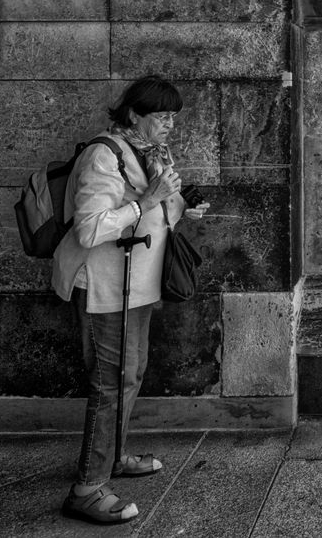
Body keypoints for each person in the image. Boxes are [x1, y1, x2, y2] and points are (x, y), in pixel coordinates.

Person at [53, 76, 210, 524]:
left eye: (173, 118)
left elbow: (162, 207)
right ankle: (87, 487)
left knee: (131, 373)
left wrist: (182, 207)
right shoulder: (103, 154)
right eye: (161, 117)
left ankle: (115, 457)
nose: (169, 126)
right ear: (134, 115)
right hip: (104, 286)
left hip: (137, 284)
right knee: (110, 383)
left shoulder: (151, 153)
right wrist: (147, 201)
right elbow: (89, 228)